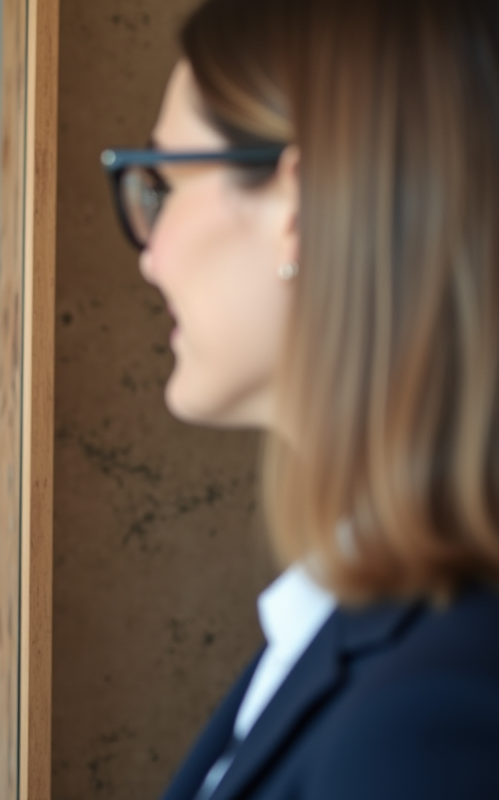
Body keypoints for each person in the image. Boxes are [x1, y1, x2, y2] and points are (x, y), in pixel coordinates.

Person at [100, 0, 499, 797]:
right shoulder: (357, 625)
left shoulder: (427, 723)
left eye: (164, 183)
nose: (150, 259)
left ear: (298, 206)